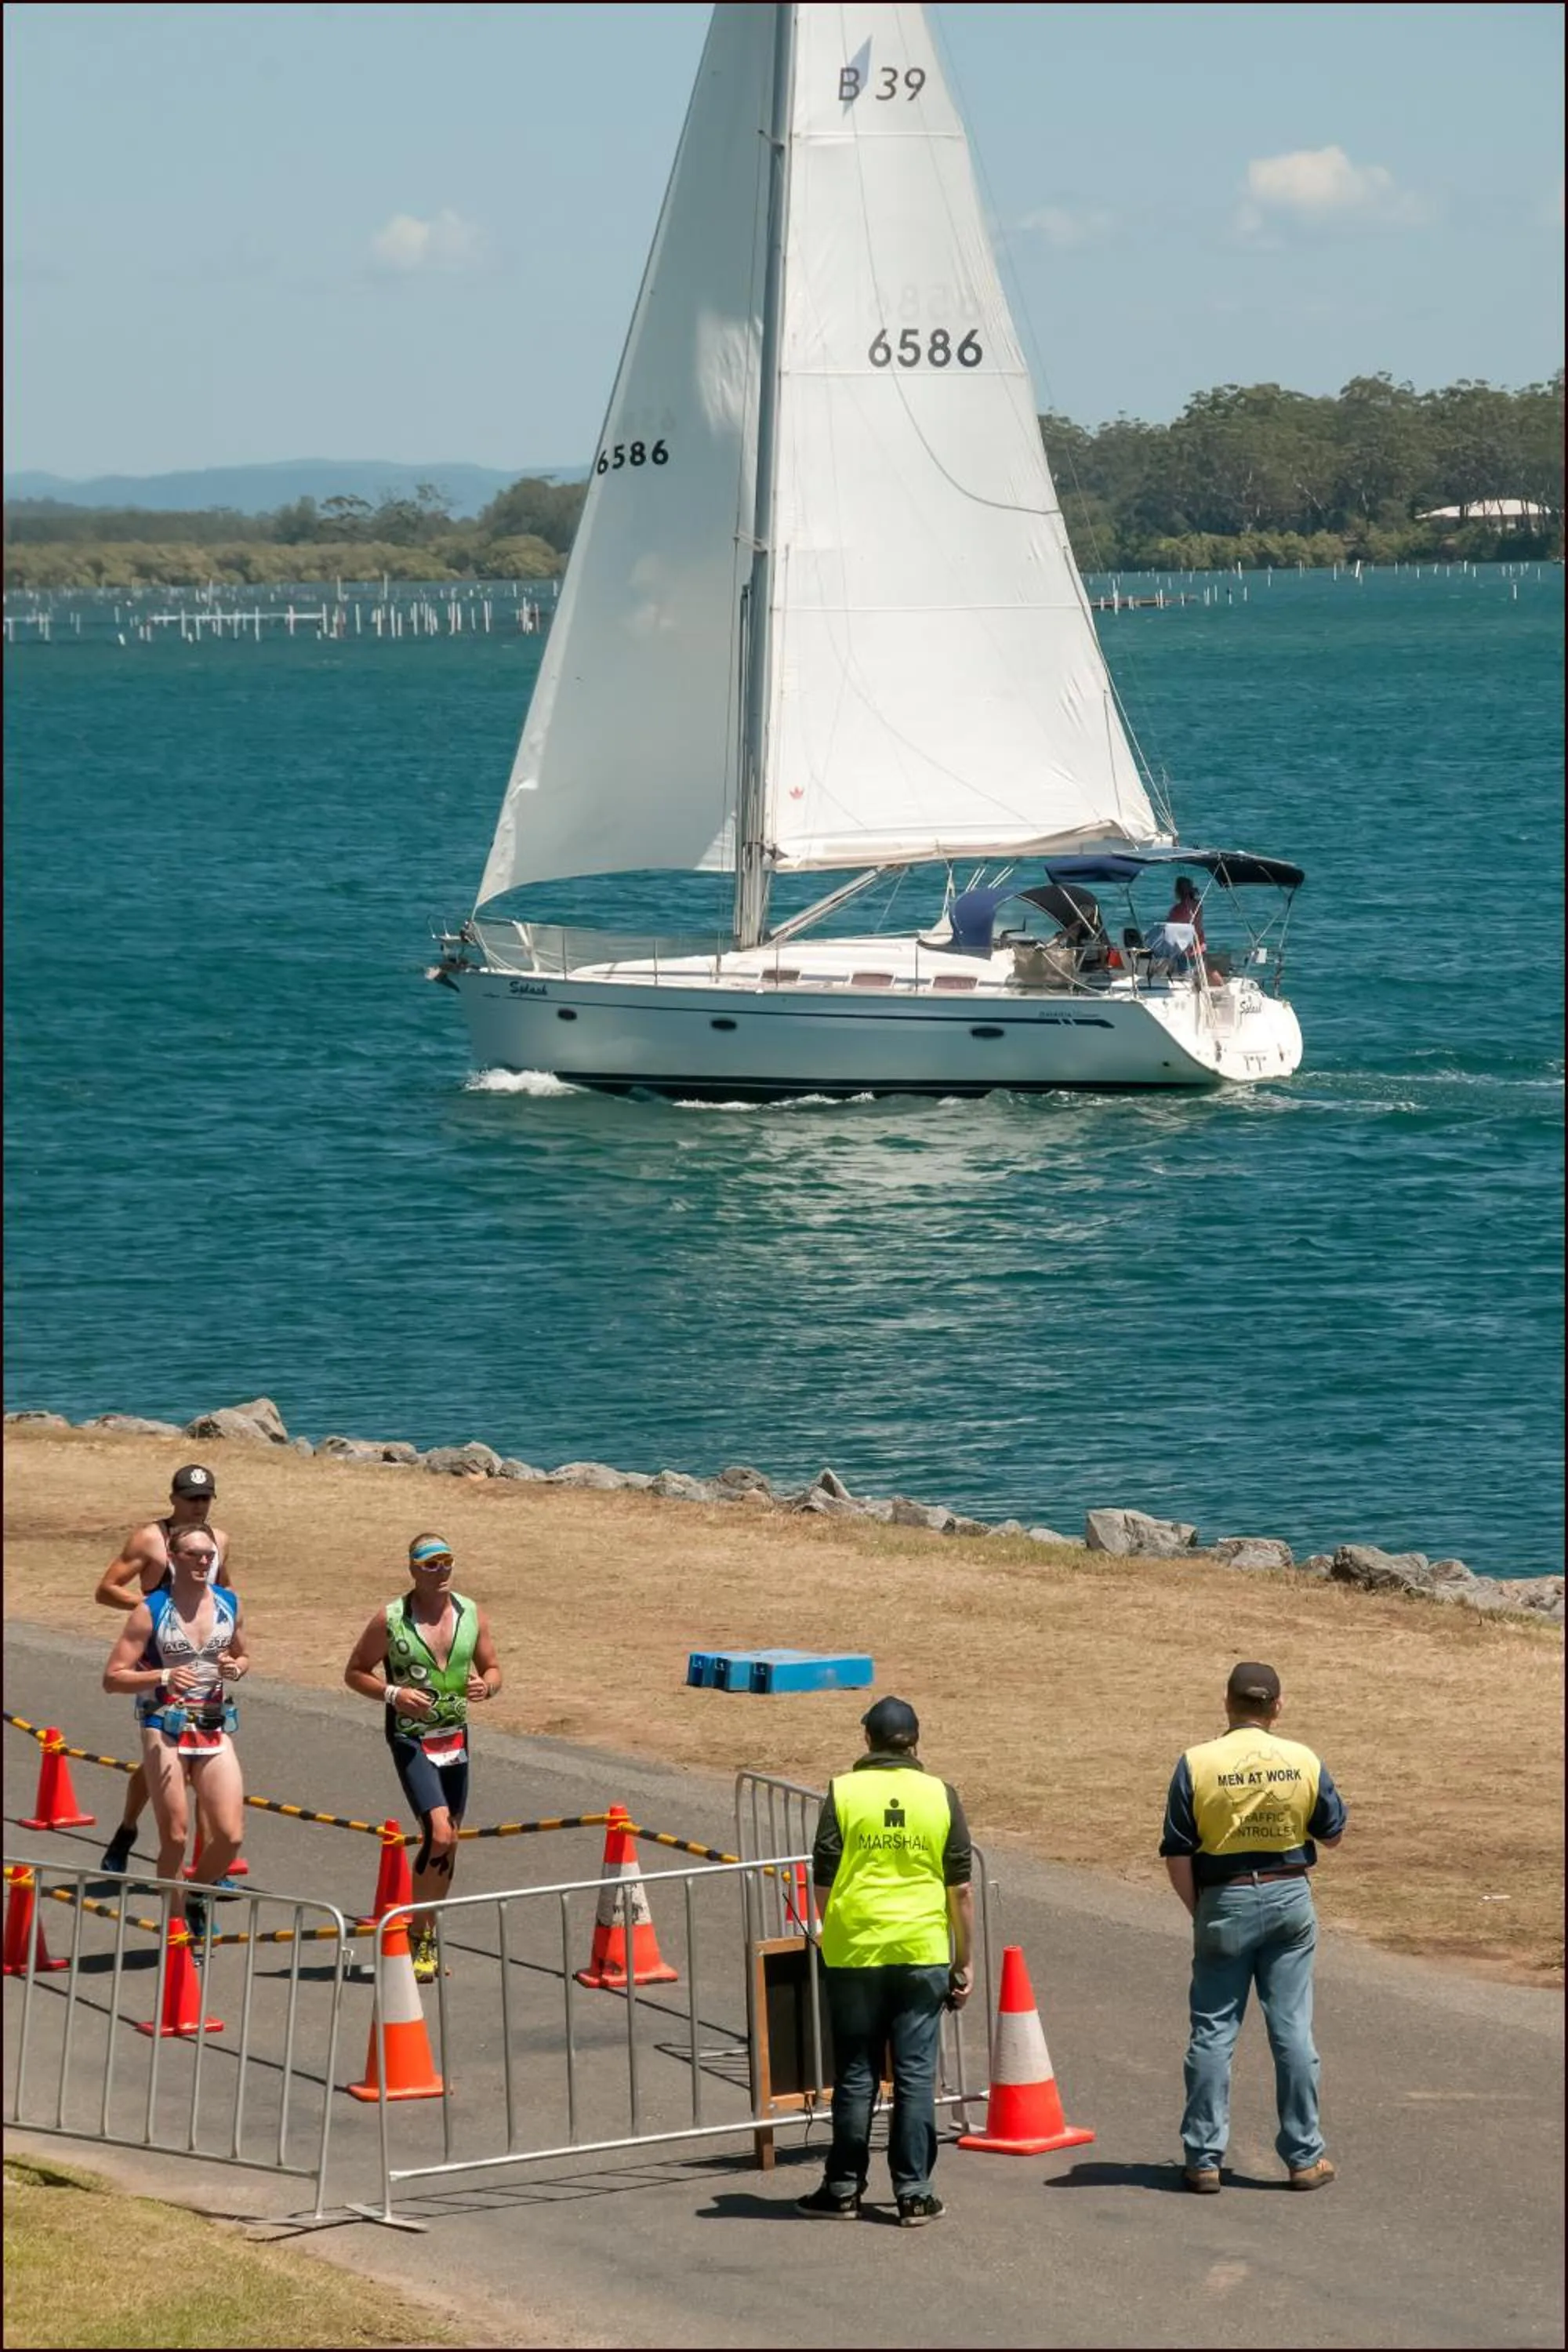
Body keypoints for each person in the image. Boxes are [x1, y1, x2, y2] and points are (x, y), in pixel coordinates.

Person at [1159, 1661, 1348, 2194]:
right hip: (1289, 1892)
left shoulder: (1197, 1763)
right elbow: (1332, 1834)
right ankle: (1304, 2156)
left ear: (1227, 1703)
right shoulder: (1302, 1760)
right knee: (1291, 2029)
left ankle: (1203, 2157)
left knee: (1214, 2030)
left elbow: (1176, 1851)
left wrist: (1201, 1910)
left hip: (1224, 1895)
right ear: (1277, 1707)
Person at [797, 1696, 974, 2228]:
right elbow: (960, 1888)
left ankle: (844, 2187)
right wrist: (962, 1961)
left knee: (857, 2073)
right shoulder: (941, 1795)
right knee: (916, 2076)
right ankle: (914, 2192)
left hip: (856, 1950)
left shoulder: (844, 1791)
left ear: (867, 1739)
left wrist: (837, 1927)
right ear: (915, 1741)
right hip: (922, 1950)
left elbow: (823, 1874)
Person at [343, 1534, 503, 1984]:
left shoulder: (471, 1613)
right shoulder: (391, 1619)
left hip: (454, 1738)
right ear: (413, 1570)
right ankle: (419, 1933)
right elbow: (354, 1672)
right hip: (411, 1737)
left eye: (447, 1562)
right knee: (438, 1830)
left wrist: (486, 1686)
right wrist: (394, 1693)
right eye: (431, 1564)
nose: (441, 1570)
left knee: (448, 1838)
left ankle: (425, 1929)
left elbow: (494, 1669)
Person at [101, 1518, 249, 1940]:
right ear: (172, 1558)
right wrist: (163, 1678)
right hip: (162, 1725)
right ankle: (179, 1921)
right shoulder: (150, 1611)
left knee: (230, 1835)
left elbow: (243, 1655)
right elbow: (113, 1678)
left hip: (212, 1724)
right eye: (194, 1555)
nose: (204, 1562)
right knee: (177, 1835)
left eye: (209, 1556)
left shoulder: (229, 1602)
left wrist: (235, 1667)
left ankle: (199, 1894)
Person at [95, 1465, 232, 1874]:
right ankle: (128, 1828)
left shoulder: (218, 1541)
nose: (198, 1505)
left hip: (203, 1665)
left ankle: (208, 1870)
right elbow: (106, 1589)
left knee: (194, 1758)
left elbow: (224, 1591)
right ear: (172, 1498)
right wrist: (151, 1609)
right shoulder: (149, 1539)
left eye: (205, 1497)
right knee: (171, 1756)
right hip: (157, 1663)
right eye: (191, 1497)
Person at [1167, 875, 1207, 948]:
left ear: (1177, 891)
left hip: (1187, 947)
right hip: (1201, 944)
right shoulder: (1198, 905)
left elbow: (1169, 929)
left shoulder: (1177, 909)